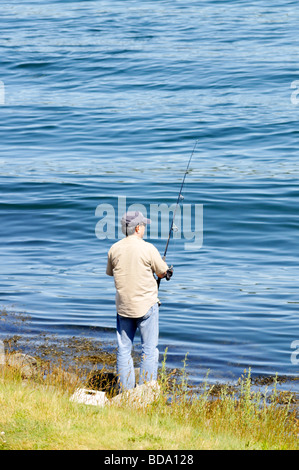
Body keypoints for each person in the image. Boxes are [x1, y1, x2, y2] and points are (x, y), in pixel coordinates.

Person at [106, 210, 173, 391]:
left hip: (123, 307)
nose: (144, 229)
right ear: (137, 228)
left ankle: (126, 392)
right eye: (143, 225)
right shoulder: (148, 248)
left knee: (124, 350)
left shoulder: (114, 249)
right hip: (145, 307)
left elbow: (111, 272)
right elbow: (161, 272)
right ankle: (145, 392)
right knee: (149, 350)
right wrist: (167, 272)